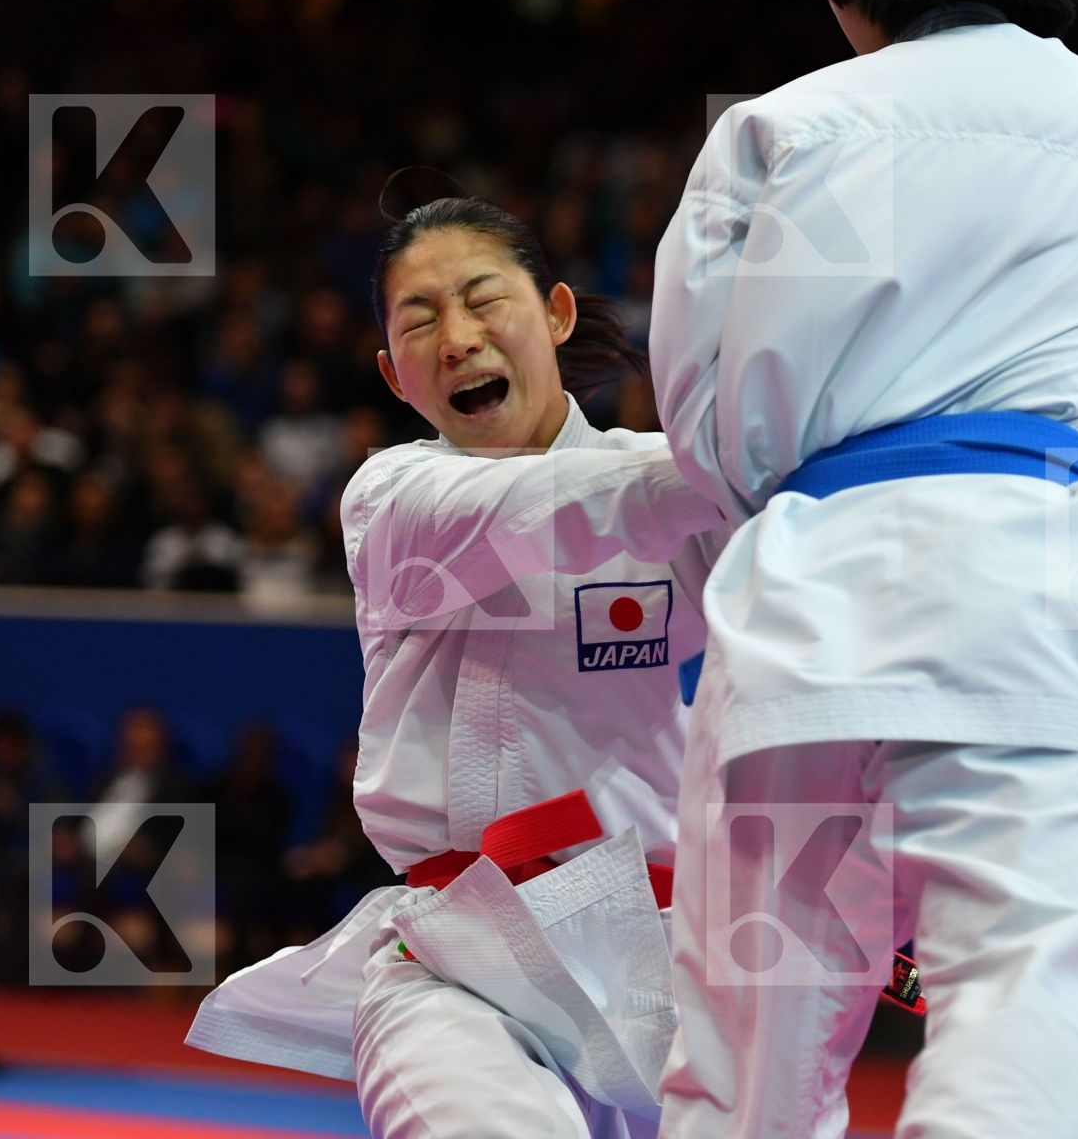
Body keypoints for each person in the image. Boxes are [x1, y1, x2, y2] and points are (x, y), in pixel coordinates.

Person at [647, 0, 1078, 1136]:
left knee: (747, 1058)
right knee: (1024, 999)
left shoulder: (782, 125)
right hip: (1041, 577)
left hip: (811, 590)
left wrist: (785, 494)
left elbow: (698, 403)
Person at [189, 194, 726, 1139]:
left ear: (555, 313)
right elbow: (551, 507)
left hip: (660, 972)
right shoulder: (393, 498)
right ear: (396, 376)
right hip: (457, 962)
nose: (460, 337)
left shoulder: (678, 494)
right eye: (422, 321)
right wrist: (743, 452)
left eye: (485, 301)